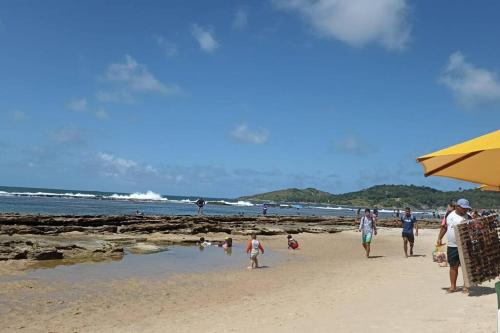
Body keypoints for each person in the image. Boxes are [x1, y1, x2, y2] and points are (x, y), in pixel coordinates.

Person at [437, 198, 471, 293]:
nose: (466, 210)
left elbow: (472, 231)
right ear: (457, 206)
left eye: (467, 208)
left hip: (465, 245)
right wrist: (439, 238)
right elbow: (444, 227)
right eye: (464, 208)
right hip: (452, 246)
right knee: (453, 266)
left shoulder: (468, 217)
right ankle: (453, 286)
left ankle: (466, 286)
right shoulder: (449, 215)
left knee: (466, 267)